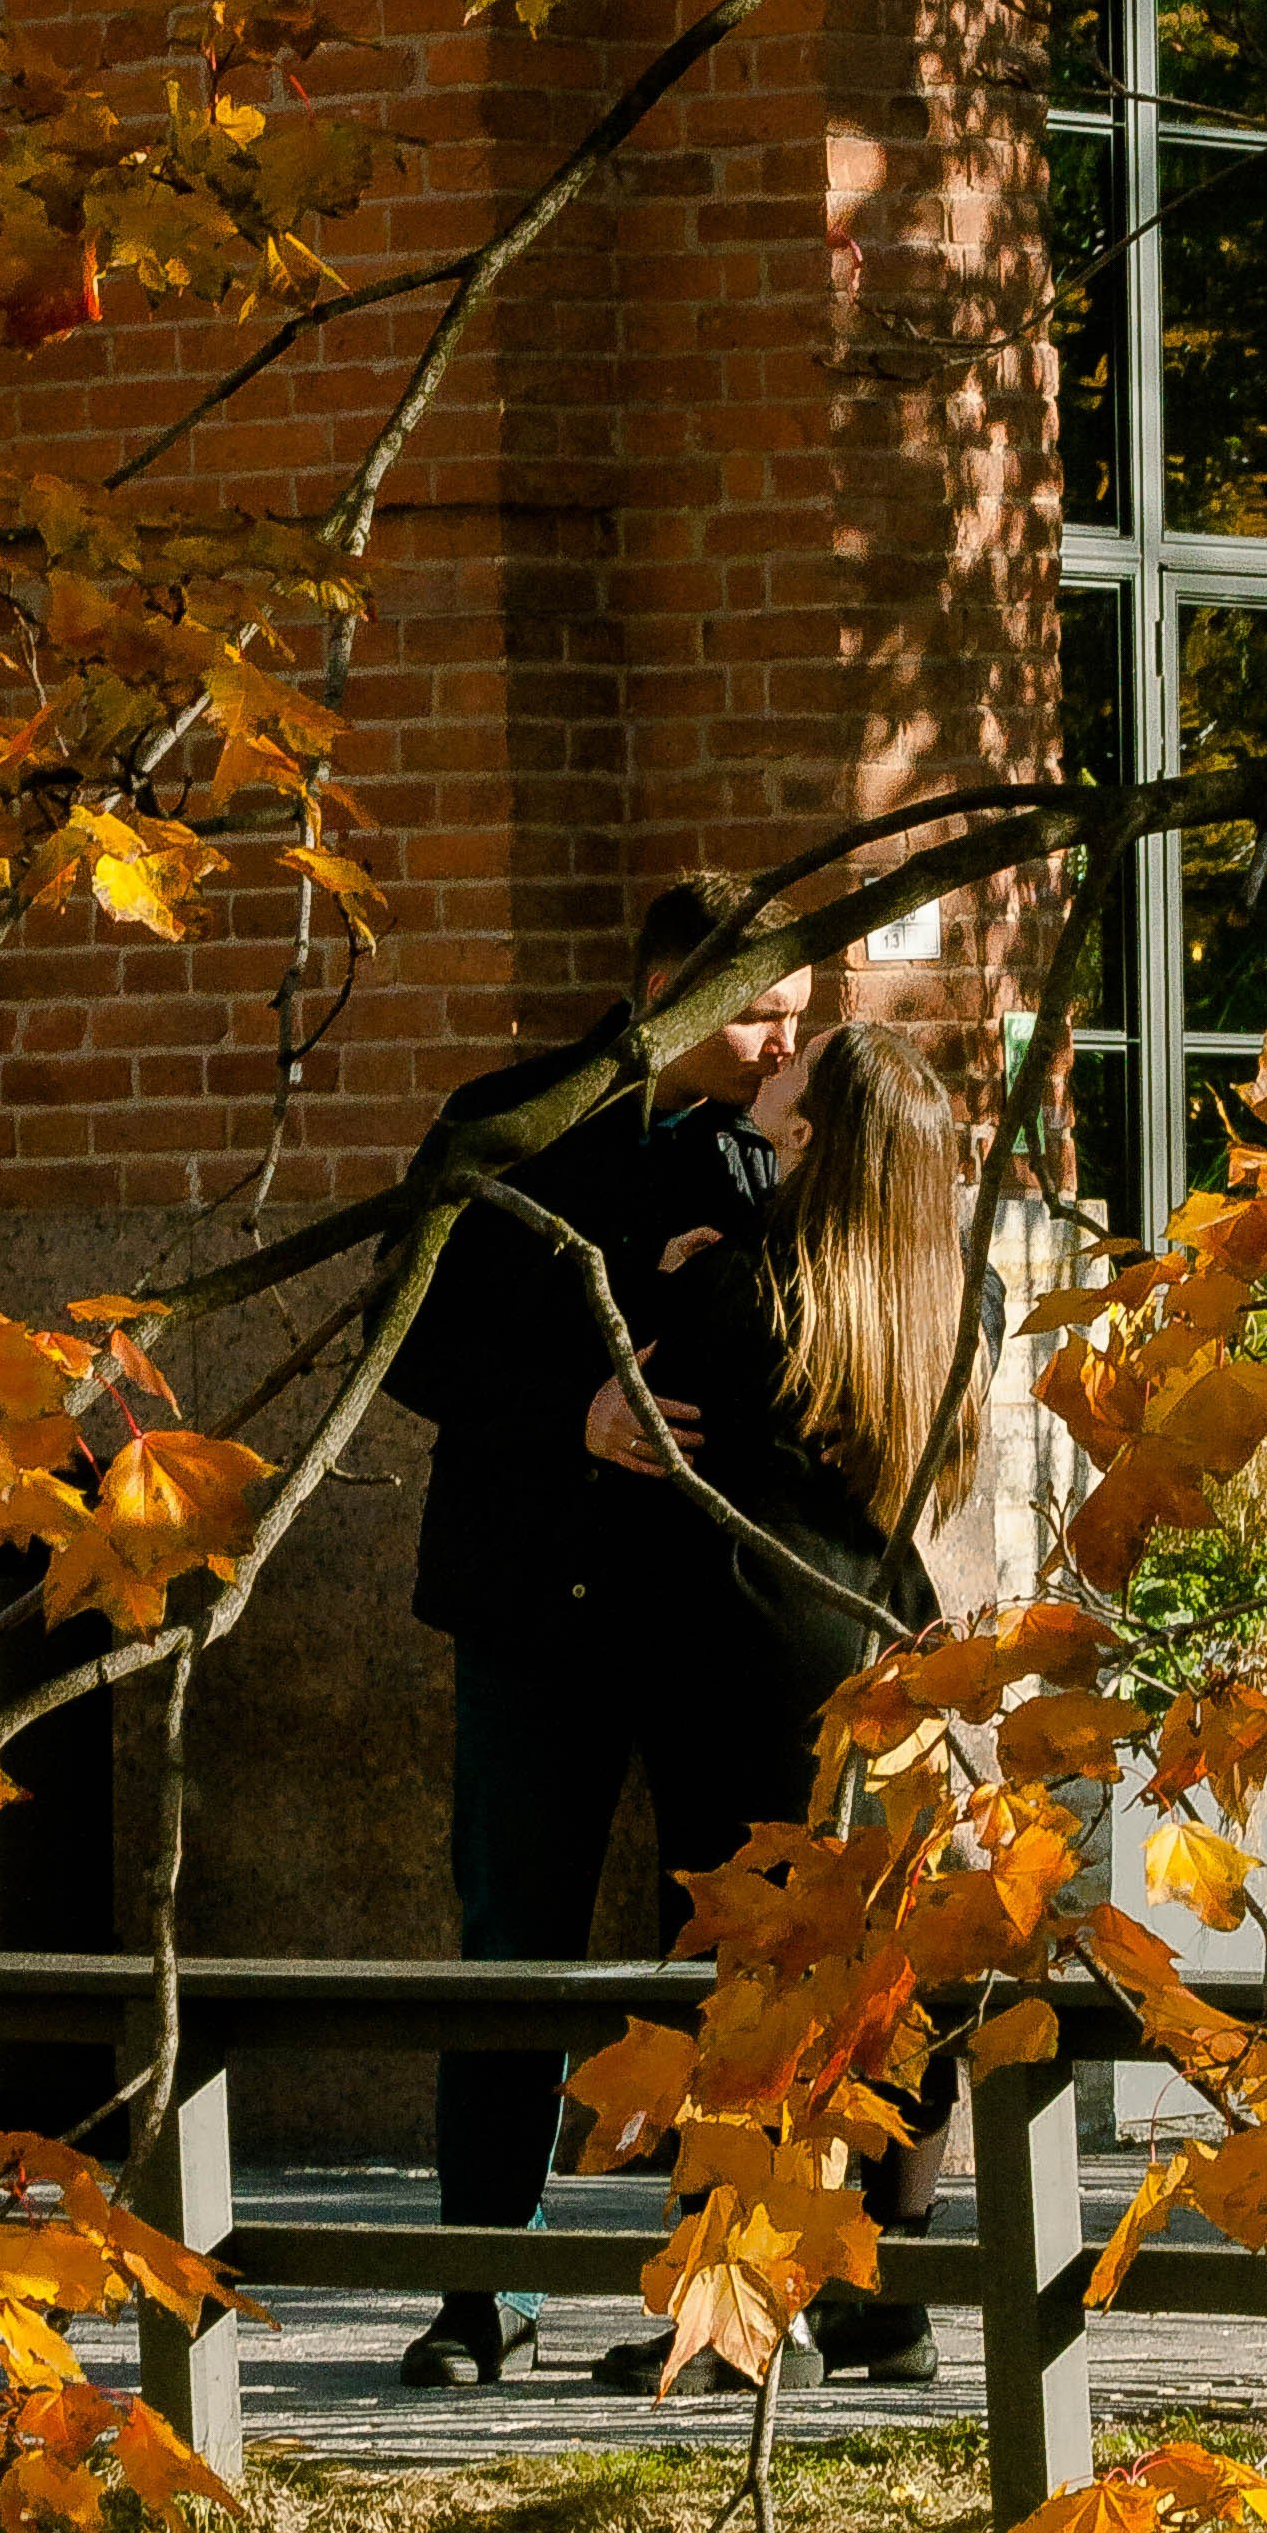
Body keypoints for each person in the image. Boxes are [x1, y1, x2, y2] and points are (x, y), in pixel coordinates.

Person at [386, 873, 811, 2387]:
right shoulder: (505, 1117)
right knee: (511, 1938)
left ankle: (731, 2297)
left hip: (716, 1613)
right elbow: (412, 1332)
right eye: (755, 1012)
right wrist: (570, 1412)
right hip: (528, 1595)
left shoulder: (777, 1156)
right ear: (658, 995)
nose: (779, 1042)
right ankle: (480, 2285)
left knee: (730, 1951)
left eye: (797, 1016)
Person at [582, 1020, 996, 2396]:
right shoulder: (952, 1292)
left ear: (806, 1134)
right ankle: (886, 2289)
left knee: (743, 1984)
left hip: (745, 1667)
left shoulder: (737, 1296)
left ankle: (737, 2312)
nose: (773, 1058)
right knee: (888, 1982)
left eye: (795, 1070)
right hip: (895, 1668)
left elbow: (649, 1428)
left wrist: (663, 1274)